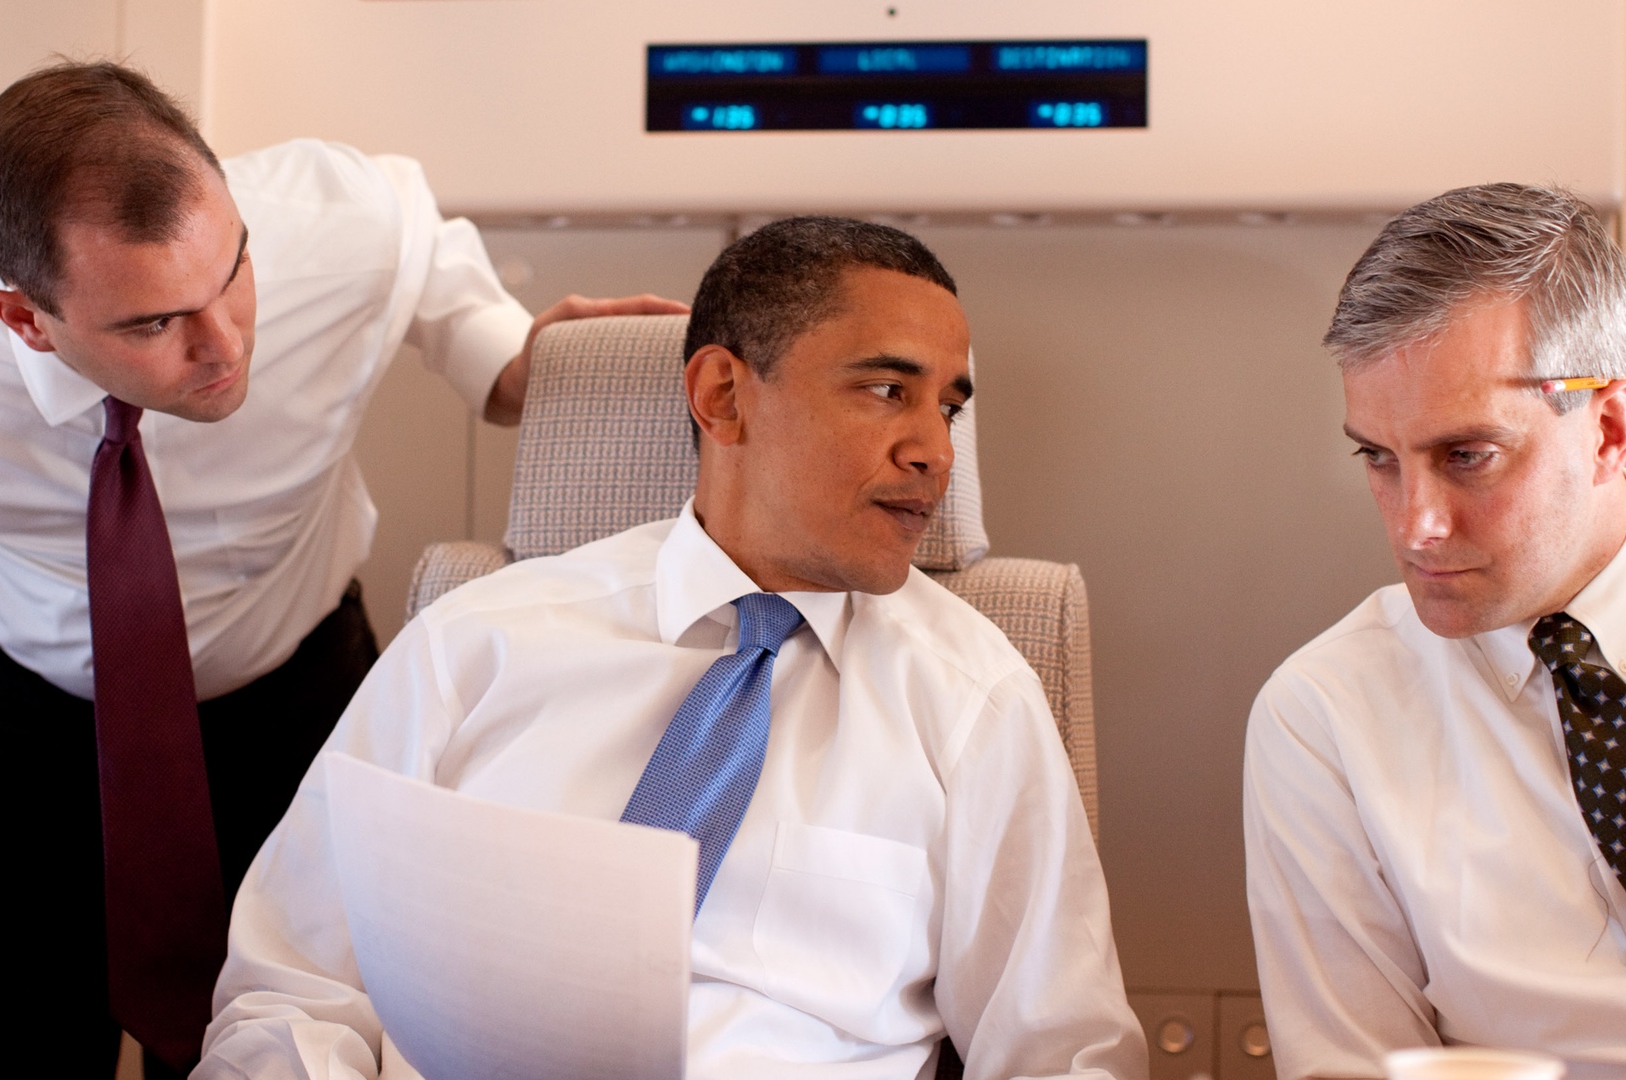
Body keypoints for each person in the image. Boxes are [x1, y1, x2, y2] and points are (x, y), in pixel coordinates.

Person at [197, 216, 1145, 1080]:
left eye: (948, 407)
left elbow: (1060, 1053)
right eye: (888, 389)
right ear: (723, 396)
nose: (933, 448)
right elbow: (292, 990)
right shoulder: (472, 644)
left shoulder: (973, 698)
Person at [0, 61, 684, 1077]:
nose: (225, 347)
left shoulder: (350, 221)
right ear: (24, 320)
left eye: (233, 274)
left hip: (292, 689)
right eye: (153, 323)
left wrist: (528, 365)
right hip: (10, 710)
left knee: (306, 1030)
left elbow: (481, 338)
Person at [1243, 183, 1626, 1079]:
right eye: (1379, 459)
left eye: (1468, 456)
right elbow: (1349, 1066)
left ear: (1609, 428)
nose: (1414, 524)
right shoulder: (1326, 716)